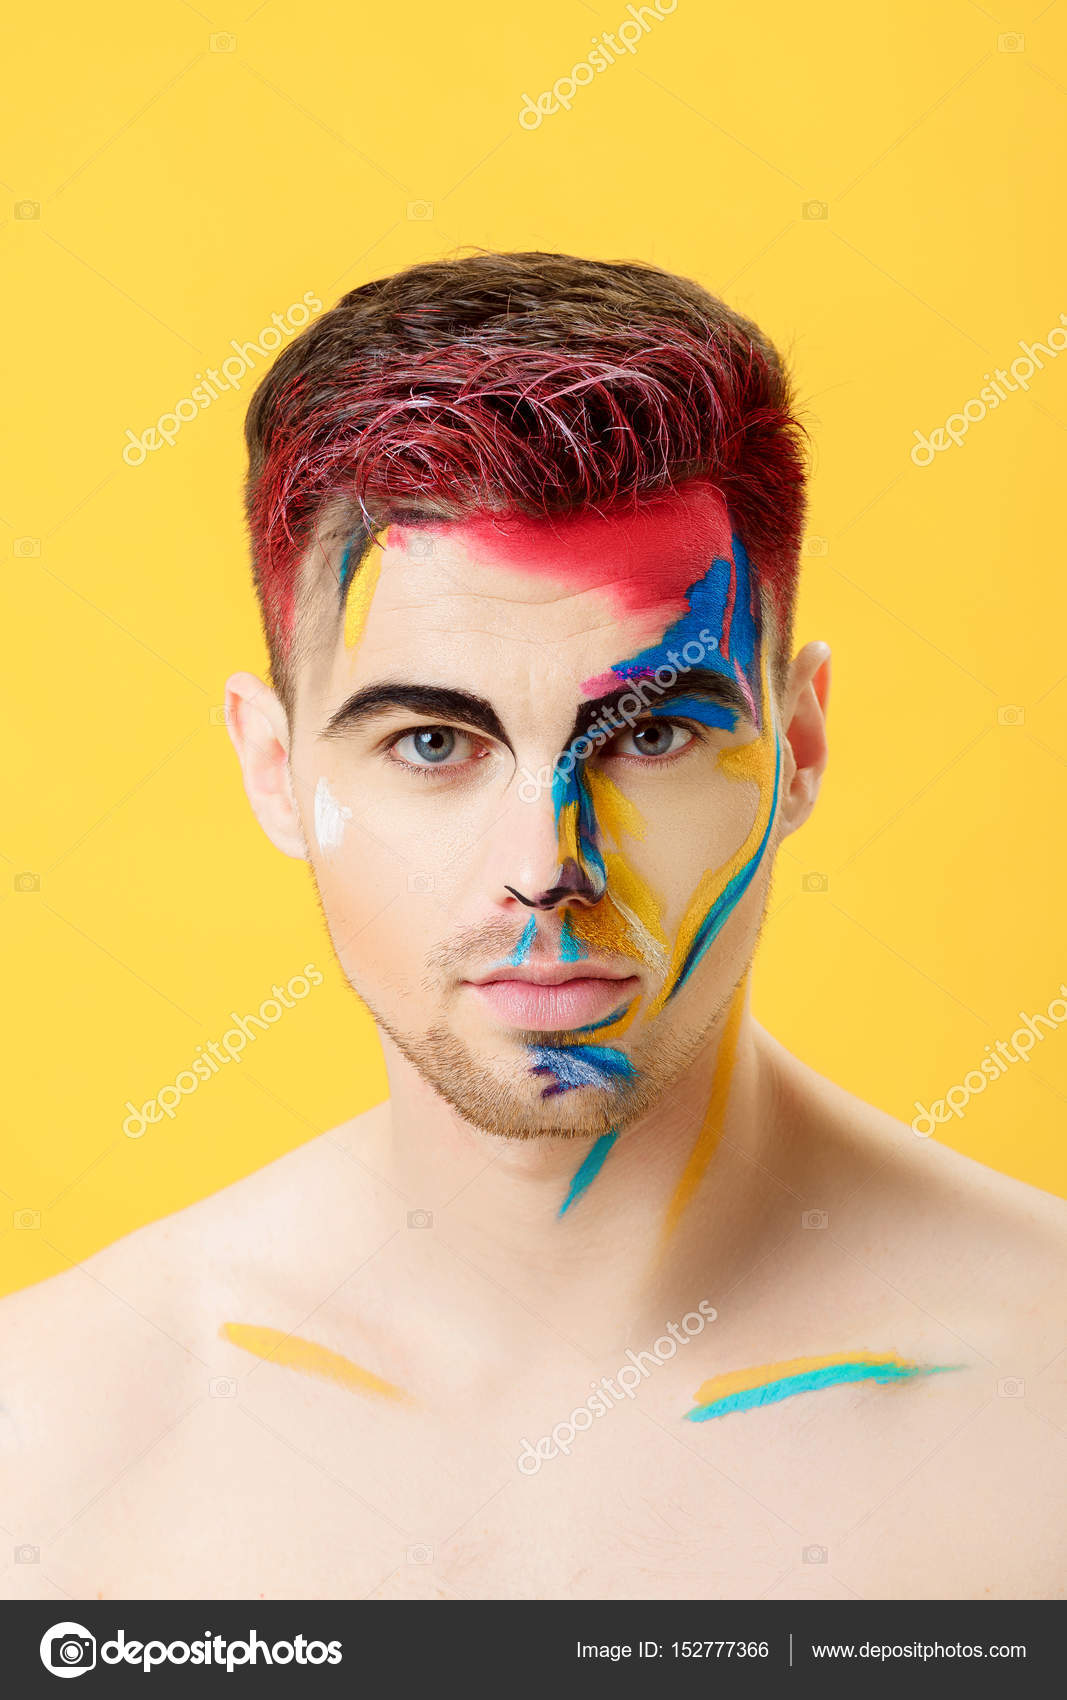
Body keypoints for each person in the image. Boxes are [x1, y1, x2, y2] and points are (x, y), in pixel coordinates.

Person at [3, 254, 1064, 1602]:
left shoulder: (1041, 1417)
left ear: (796, 746)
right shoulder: (50, 1450)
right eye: (434, 741)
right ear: (274, 769)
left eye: (657, 733)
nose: (545, 866)